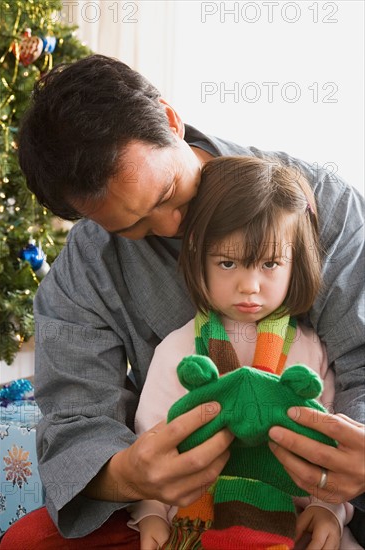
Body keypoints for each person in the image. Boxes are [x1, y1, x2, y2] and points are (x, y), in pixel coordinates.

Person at [1, 54, 363, 548]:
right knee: (28, 541)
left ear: (171, 120)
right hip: (179, 502)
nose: (172, 228)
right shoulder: (88, 264)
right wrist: (130, 477)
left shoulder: (322, 203)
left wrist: (336, 488)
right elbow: (74, 415)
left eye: (169, 192)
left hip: (310, 494)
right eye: (131, 227)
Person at [127, 156, 360, 550]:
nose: (249, 286)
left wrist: (330, 510)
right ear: (199, 259)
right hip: (196, 517)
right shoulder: (179, 349)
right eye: (228, 263)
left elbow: (328, 444)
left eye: (270, 264)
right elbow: (152, 443)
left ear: (295, 263)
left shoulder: (311, 348)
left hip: (294, 518)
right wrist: (149, 511)